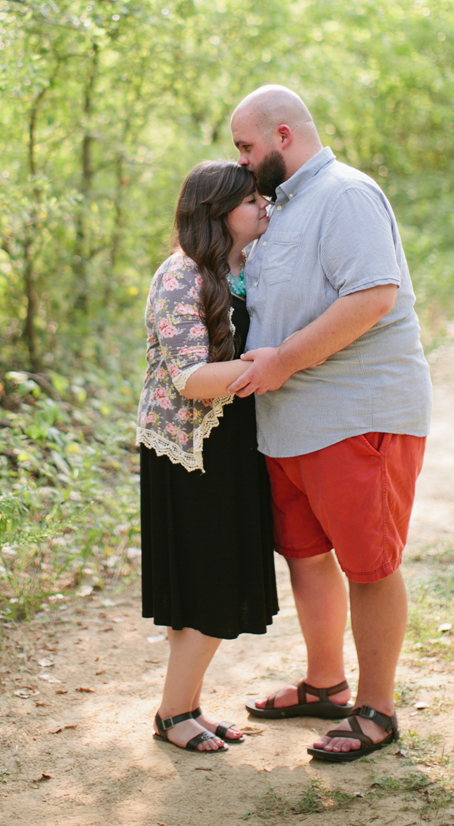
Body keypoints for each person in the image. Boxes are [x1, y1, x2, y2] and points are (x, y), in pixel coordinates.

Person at [228, 85, 432, 763]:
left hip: (356, 414)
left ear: (283, 135)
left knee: (369, 563)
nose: (242, 160)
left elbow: (374, 296)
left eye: (246, 146)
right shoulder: (279, 209)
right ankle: (325, 684)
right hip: (290, 422)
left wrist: (283, 361)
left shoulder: (345, 194)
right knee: (307, 556)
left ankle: (377, 709)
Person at [137, 160, 279, 753]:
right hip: (190, 452)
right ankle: (173, 715)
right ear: (219, 212)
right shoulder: (181, 275)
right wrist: (273, 363)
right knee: (207, 583)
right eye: (251, 200)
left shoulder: (243, 269)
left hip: (233, 446)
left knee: (210, 581)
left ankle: (187, 704)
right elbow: (192, 378)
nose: (264, 207)